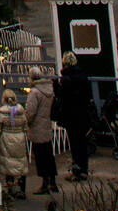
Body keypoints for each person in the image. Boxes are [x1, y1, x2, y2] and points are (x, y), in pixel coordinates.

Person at [54, 51, 93, 181]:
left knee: (74, 143)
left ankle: (76, 170)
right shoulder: (83, 76)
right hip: (82, 114)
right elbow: (88, 95)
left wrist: (55, 86)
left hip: (71, 115)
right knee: (82, 142)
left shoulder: (66, 79)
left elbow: (62, 96)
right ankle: (84, 169)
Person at [24, 66, 58, 194]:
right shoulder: (49, 90)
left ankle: (45, 183)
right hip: (46, 124)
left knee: (40, 155)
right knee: (49, 154)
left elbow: (30, 111)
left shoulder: (34, 92)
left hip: (37, 126)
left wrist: (26, 121)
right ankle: (53, 181)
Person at [0, 88, 29, 199]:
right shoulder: (21, 111)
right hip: (19, 138)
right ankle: (22, 189)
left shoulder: (2, 113)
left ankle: (10, 188)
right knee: (21, 163)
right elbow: (25, 126)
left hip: (7, 139)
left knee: (7, 163)